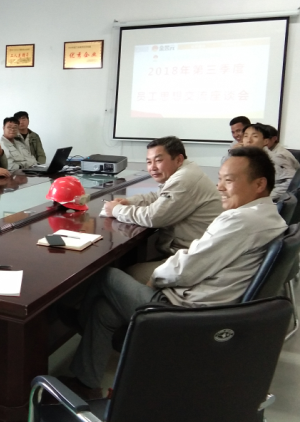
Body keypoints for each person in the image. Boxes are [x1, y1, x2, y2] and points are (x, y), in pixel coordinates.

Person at [64, 146, 286, 400]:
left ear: (259, 184)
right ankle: (86, 383)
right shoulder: (268, 216)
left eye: (229, 180)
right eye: (220, 179)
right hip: (211, 308)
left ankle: (79, 322)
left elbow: (186, 271)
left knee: (105, 275)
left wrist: (156, 278)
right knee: (104, 310)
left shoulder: (241, 221)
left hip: (188, 314)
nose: (220, 187)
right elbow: (197, 257)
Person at [102, 137, 223, 282]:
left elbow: (153, 217)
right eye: (149, 162)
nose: (152, 167)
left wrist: (117, 210)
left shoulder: (184, 179)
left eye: (158, 160)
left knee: (119, 276)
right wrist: (129, 202)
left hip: (192, 262)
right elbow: (158, 197)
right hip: (188, 254)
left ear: (178, 159)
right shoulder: (186, 171)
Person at [241, 123, 299, 200]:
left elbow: (289, 185)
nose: (248, 140)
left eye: (255, 136)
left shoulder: (274, 159)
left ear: (266, 141)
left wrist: (261, 199)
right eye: (245, 136)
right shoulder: (248, 158)